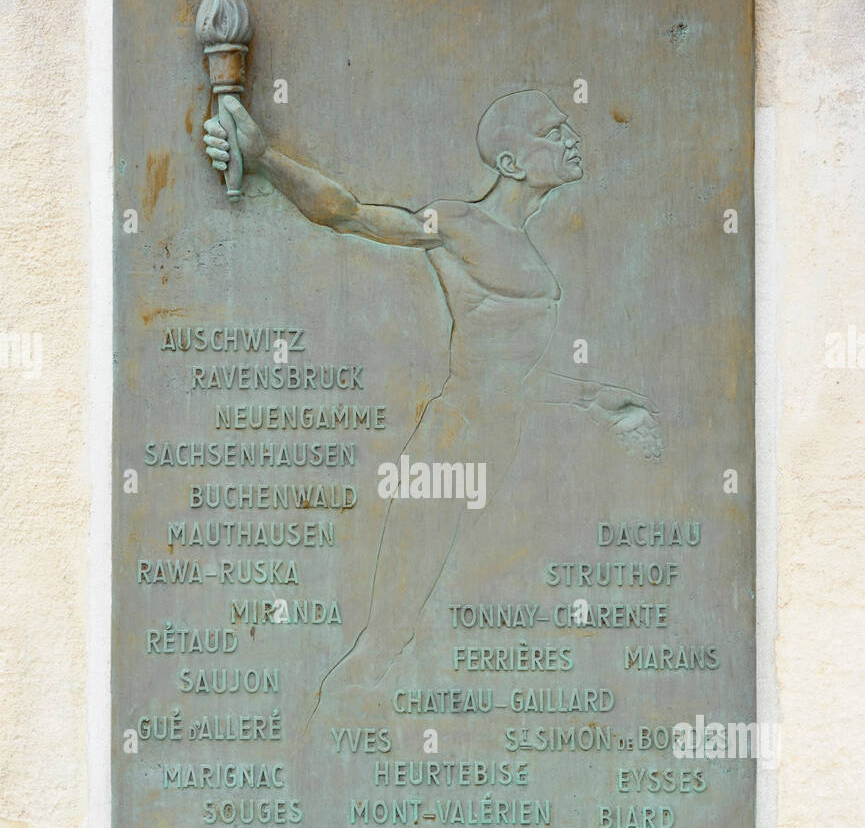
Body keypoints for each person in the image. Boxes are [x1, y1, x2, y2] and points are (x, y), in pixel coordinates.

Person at [203, 90, 661, 710]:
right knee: (387, 637)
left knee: (474, 635)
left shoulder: (528, 249)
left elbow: (509, 378)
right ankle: (322, 727)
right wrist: (264, 159)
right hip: (451, 448)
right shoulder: (455, 225)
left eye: (568, 128)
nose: (572, 139)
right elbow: (349, 215)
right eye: (554, 132)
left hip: (500, 450)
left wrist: (599, 399)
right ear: (511, 162)